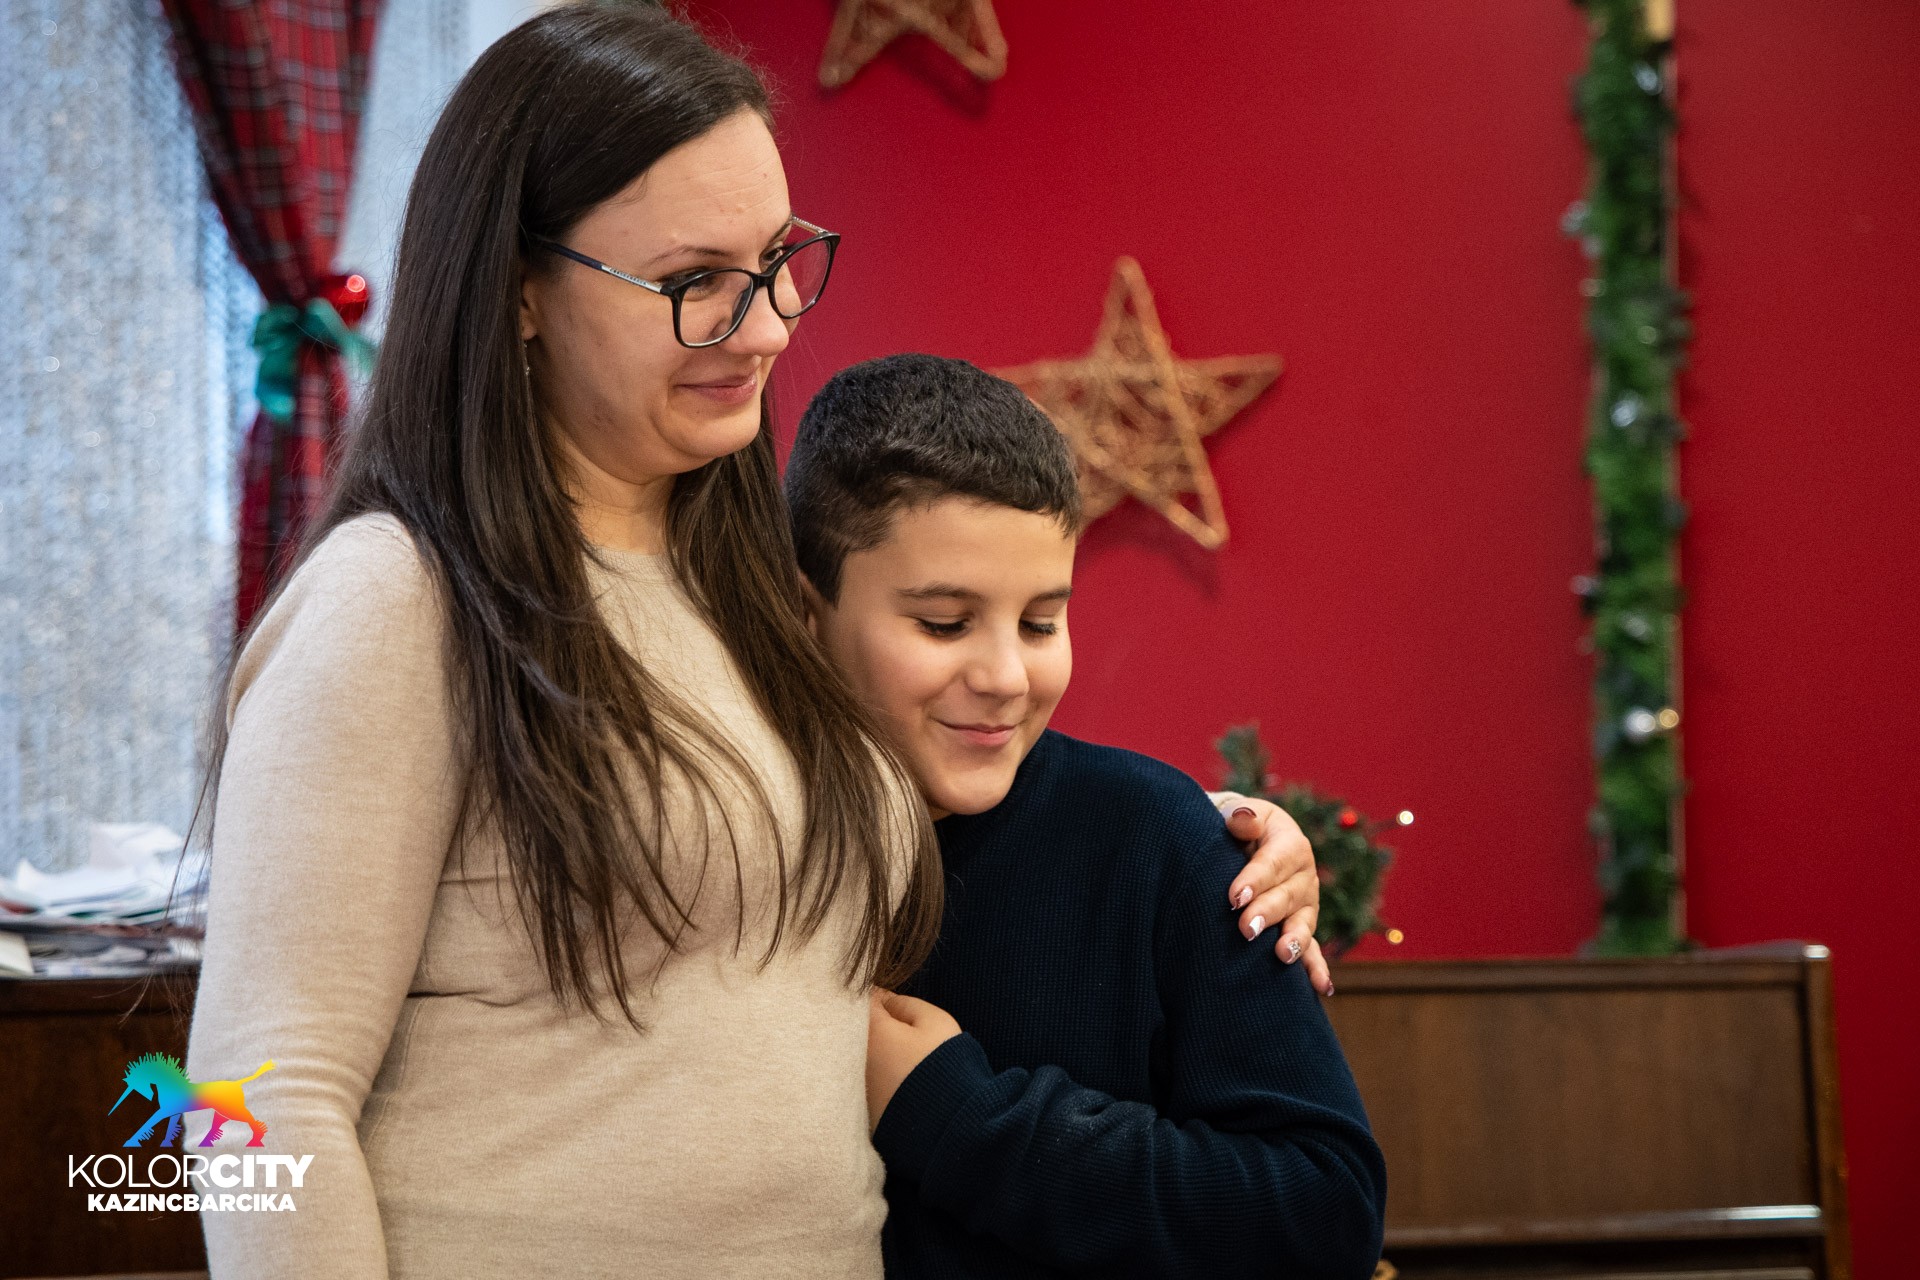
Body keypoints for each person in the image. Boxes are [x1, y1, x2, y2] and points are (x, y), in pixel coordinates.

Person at [184, 6, 1317, 1277]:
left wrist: (1208, 842)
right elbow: (255, 1097)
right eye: (695, 284)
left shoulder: (755, 594)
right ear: (518, 291)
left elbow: (896, 792)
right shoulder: (399, 597)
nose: (770, 325)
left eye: (777, 261)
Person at [788, 354, 1387, 1279]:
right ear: (804, 615)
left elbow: (1326, 1213)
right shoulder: (739, 844)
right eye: (944, 623)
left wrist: (964, 1120)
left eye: (1040, 623)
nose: (1005, 678)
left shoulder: (1162, 839)